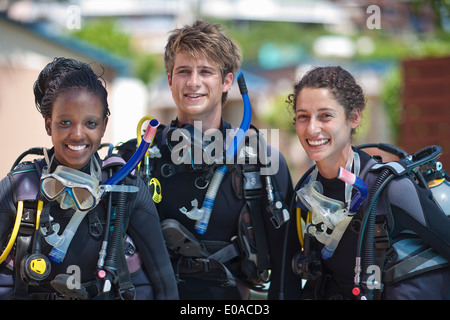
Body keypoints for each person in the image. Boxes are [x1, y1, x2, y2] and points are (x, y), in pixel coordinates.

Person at [118, 20, 301, 300]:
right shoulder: (135, 159)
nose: (193, 82)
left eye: (205, 71)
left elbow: (285, 275)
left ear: (227, 80)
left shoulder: (262, 165)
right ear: (169, 80)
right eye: (183, 72)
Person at [0, 57, 178, 300]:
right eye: (65, 123)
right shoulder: (20, 188)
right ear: (48, 124)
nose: (77, 134)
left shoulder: (124, 187)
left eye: (90, 123)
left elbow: (165, 285)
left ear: (104, 126)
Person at [288, 65, 450, 300]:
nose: (312, 129)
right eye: (303, 116)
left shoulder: (391, 189)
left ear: (353, 117)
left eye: (325, 115)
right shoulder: (306, 196)